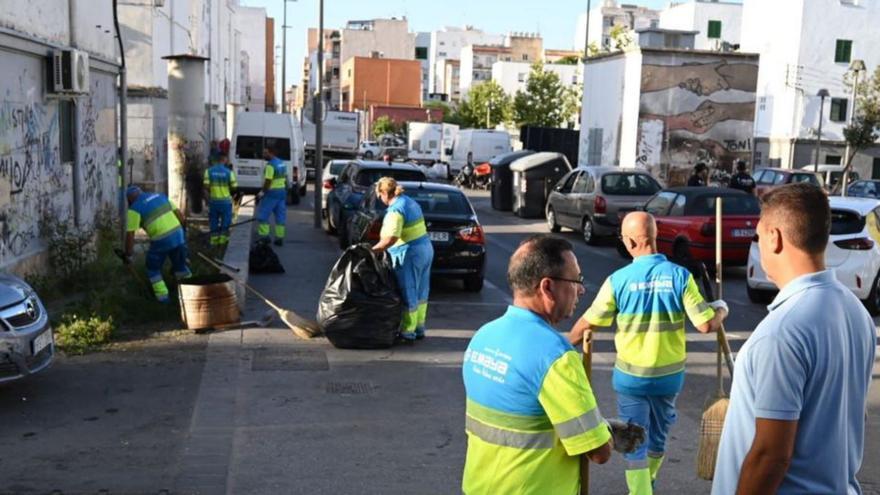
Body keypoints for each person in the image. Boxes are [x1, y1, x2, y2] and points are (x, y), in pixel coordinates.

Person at [711, 183, 876, 495]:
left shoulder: (781, 332)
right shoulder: (855, 310)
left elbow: (770, 456)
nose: (758, 245)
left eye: (758, 237)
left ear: (775, 238)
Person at [463, 235, 644, 495]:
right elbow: (598, 452)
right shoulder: (556, 356)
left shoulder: (483, 337)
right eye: (576, 280)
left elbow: (522, 413)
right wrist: (605, 432)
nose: (581, 289)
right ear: (547, 287)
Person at [569, 212, 728, 495]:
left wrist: (561, 345)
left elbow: (588, 322)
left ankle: (641, 490)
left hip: (631, 377)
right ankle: (648, 481)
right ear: (654, 238)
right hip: (669, 377)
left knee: (633, 436)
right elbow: (706, 324)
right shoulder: (680, 277)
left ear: (630, 241)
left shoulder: (618, 280)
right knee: (658, 434)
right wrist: (721, 309)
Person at [371, 177, 434, 341]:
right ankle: (419, 328)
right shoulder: (409, 202)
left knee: (409, 291)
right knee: (421, 291)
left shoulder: (395, 211)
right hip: (425, 250)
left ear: (385, 193)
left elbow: (391, 237)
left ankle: (407, 331)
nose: (380, 199)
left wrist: (373, 250)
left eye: (380, 195)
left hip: (410, 254)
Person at [123, 186, 191, 303]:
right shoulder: (161, 196)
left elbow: (130, 235)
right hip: (178, 234)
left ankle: (163, 299)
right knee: (180, 267)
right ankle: (191, 295)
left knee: (153, 268)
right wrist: (183, 234)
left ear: (129, 200)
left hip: (161, 239)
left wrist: (128, 254)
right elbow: (180, 215)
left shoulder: (134, 209)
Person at [203, 152, 238, 246]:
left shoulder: (208, 171)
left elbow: (206, 185)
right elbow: (234, 186)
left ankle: (214, 241)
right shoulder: (229, 172)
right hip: (226, 202)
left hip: (214, 201)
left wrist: (212, 191)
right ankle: (222, 241)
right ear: (224, 159)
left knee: (213, 220)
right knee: (226, 220)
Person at [256, 145, 287, 246]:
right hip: (281, 193)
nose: (264, 154)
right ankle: (279, 238)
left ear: (271, 153)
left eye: (266, 153)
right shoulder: (281, 163)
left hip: (271, 193)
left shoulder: (270, 165)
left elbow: (268, 181)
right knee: (280, 217)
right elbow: (285, 178)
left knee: (263, 216)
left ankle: (264, 237)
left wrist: (262, 193)